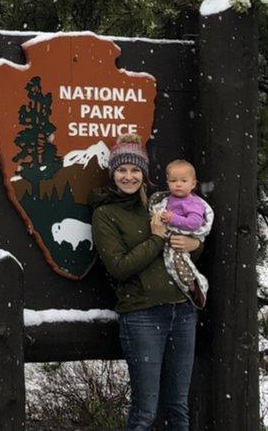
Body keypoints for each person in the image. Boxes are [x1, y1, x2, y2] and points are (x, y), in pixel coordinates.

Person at [89, 134, 203, 430]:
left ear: (144, 172)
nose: (129, 176)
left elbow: (189, 238)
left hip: (183, 311)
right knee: (145, 412)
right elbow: (119, 267)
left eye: (135, 170)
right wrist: (155, 238)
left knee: (178, 408)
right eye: (122, 170)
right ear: (113, 173)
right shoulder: (105, 215)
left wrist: (194, 246)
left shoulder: (161, 203)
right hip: (142, 315)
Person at [150, 159, 213, 308]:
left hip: (181, 237)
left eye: (184, 181)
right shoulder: (167, 198)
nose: (178, 184)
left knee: (180, 263)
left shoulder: (193, 203)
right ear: (167, 182)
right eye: (173, 180)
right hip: (166, 234)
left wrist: (172, 219)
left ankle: (193, 285)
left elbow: (194, 223)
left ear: (193, 184)